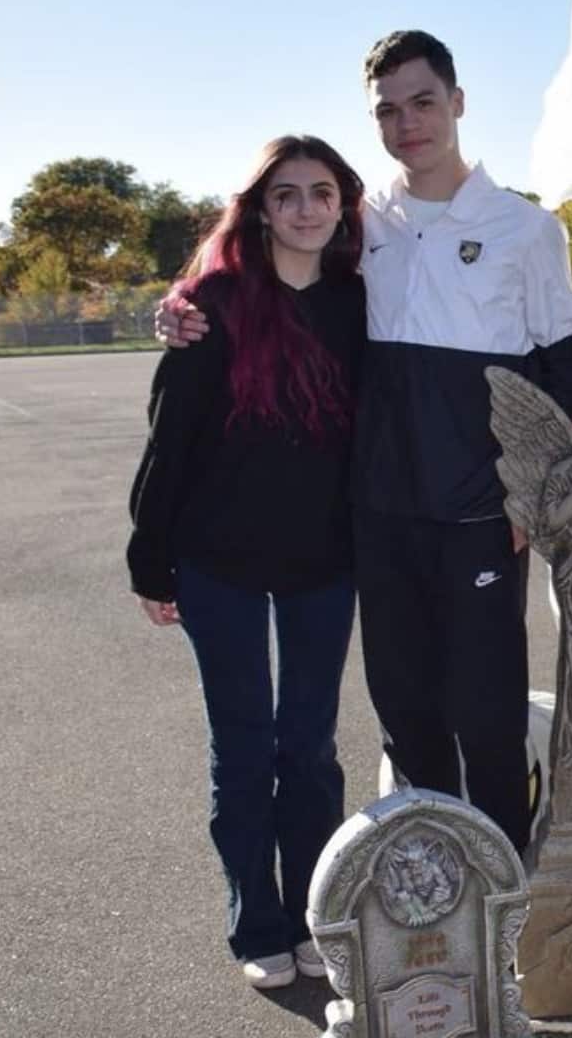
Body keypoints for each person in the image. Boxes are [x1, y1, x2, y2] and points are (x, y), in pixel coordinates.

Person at [159, 31, 572, 854]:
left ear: (458, 103)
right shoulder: (359, 221)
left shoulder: (528, 230)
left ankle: (503, 877)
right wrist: (180, 306)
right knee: (404, 705)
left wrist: (532, 491)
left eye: (423, 102)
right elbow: (259, 269)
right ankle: (432, 874)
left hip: (479, 515)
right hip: (377, 514)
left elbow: (567, 374)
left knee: (487, 710)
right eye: (387, 111)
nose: (407, 123)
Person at [129, 135, 367, 989]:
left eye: (322, 193)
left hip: (321, 561)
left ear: (344, 206)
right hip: (217, 559)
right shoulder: (213, 304)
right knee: (244, 748)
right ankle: (253, 924)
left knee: (308, 747)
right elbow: (172, 439)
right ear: (260, 209)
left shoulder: (359, 300)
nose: (306, 209)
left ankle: (311, 912)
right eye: (287, 194)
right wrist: (149, 559)